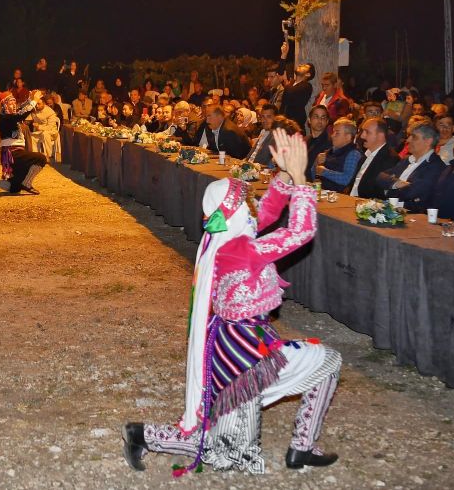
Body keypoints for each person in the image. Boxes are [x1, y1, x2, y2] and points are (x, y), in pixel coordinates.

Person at [123, 129, 341, 475]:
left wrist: (284, 174)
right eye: (245, 201)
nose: (252, 205)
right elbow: (299, 232)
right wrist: (301, 179)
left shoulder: (225, 237)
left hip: (235, 344)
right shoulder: (244, 250)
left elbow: (264, 214)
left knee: (222, 433)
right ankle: (143, 435)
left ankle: (142, 435)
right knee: (225, 444)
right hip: (246, 355)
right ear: (236, 212)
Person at [0, 91, 46, 195]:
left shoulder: (9, 116)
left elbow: (21, 110)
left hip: (13, 154)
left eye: (14, 103)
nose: (14, 105)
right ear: (5, 105)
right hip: (13, 154)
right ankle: (27, 183)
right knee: (41, 158)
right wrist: (34, 101)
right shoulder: (5, 117)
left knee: (15, 187)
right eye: (11, 103)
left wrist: (30, 99)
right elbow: (21, 114)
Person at [376, 123, 447, 212]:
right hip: (391, 209)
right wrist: (396, 183)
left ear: (428, 141)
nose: (408, 140)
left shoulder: (436, 166)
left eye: (414, 137)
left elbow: (412, 192)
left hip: (411, 214)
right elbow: (380, 176)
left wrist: (389, 187)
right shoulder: (407, 160)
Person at [349, 117, 400, 198]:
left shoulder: (390, 158)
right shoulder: (366, 154)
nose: (362, 136)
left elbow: (379, 190)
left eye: (367, 132)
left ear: (380, 136)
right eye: (362, 131)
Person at [175, 105, 250, 159]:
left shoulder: (229, 131)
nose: (207, 121)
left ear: (219, 116)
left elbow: (236, 157)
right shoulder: (213, 126)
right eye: (207, 117)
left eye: (209, 116)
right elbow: (194, 142)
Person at [313, 119, 361, 193]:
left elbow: (346, 179)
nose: (332, 136)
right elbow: (313, 176)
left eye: (337, 133)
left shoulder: (353, 154)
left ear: (348, 137)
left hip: (337, 196)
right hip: (321, 192)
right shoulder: (330, 151)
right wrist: (316, 163)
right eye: (333, 132)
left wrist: (324, 171)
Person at [275, 41, 314, 129]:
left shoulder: (307, 86)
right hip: (283, 122)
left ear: (308, 74)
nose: (300, 65)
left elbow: (291, 92)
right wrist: (284, 54)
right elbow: (280, 73)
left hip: (294, 125)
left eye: (304, 67)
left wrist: (286, 82)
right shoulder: (291, 83)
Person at [305, 106, 332, 181]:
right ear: (309, 120)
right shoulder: (304, 140)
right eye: (316, 117)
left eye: (323, 117)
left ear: (327, 121)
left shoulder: (330, 143)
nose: (320, 121)